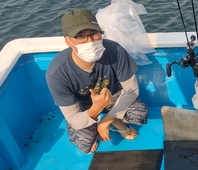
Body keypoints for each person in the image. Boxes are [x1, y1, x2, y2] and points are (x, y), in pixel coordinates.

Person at [46, 8, 148, 153]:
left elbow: (132, 90)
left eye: (94, 34)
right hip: (82, 106)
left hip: (112, 96)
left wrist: (105, 122)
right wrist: (95, 109)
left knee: (139, 113)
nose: (90, 41)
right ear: (68, 41)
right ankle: (100, 122)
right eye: (81, 36)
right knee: (85, 145)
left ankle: (114, 122)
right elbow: (73, 118)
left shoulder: (115, 50)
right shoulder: (57, 73)